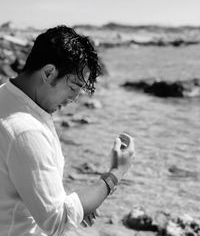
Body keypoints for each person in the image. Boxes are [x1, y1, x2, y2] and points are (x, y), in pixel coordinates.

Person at [0, 25, 135, 236]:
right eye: (73, 87)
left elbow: (19, 180)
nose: (74, 99)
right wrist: (116, 173)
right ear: (48, 73)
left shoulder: (6, 98)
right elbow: (58, 221)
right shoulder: (26, 130)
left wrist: (80, 203)